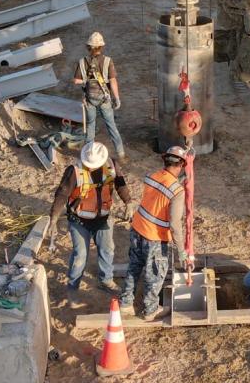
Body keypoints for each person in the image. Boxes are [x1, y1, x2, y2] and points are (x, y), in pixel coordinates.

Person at [48, 141, 130, 303]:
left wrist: (129, 201)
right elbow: (62, 195)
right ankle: (73, 287)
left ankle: (106, 280)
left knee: (107, 251)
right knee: (80, 255)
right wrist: (54, 218)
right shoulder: (74, 171)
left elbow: (120, 183)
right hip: (79, 221)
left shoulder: (112, 165)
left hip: (103, 218)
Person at [120, 146, 190, 320]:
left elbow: (159, 192)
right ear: (181, 165)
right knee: (155, 273)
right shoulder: (177, 191)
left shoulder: (151, 176)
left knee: (134, 266)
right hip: (155, 237)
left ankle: (125, 303)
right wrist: (181, 251)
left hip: (137, 228)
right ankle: (150, 310)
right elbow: (174, 224)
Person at [75, 31, 125, 161]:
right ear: (101, 47)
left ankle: (87, 154)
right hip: (104, 100)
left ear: (88, 46)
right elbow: (113, 81)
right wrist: (117, 98)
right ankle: (121, 154)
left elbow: (76, 81)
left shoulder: (82, 62)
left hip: (89, 100)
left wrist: (86, 81)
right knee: (111, 126)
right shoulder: (108, 61)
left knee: (90, 126)